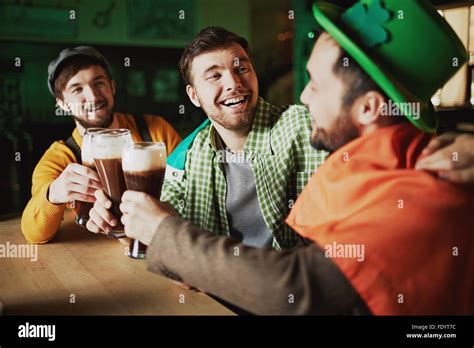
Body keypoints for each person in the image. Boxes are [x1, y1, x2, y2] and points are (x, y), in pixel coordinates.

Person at [98, 0, 474, 315]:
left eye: (316, 84)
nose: (305, 97)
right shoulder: (364, 164)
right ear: (193, 95)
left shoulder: (420, 195)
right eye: (213, 75)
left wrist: (167, 236)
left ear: (369, 108)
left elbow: (296, 287)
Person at [87, 27, 327, 250]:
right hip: (213, 292)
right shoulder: (186, 157)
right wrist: (120, 226)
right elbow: (157, 237)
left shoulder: (306, 127)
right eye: (214, 76)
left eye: (241, 69)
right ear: (194, 95)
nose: (234, 83)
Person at [21, 46, 181, 244]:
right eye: (77, 89)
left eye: (99, 83)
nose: (93, 96)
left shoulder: (157, 130)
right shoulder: (61, 156)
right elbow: (34, 233)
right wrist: (53, 193)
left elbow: (188, 191)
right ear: (61, 103)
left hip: (158, 243)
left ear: (112, 86)